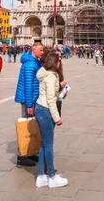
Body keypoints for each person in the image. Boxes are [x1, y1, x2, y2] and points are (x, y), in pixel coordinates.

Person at [35, 52, 68, 189]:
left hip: (41, 109)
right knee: (48, 145)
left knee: (44, 144)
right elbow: (50, 100)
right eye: (59, 60)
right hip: (45, 111)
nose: (60, 62)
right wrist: (57, 118)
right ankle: (52, 178)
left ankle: (41, 176)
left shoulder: (44, 73)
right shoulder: (50, 77)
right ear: (55, 63)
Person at [14, 42, 44, 167]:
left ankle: (30, 152)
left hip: (32, 98)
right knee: (26, 126)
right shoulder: (31, 64)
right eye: (40, 50)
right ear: (34, 50)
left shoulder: (35, 62)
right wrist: (30, 105)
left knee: (31, 125)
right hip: (29, 99)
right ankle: (22, 156)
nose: (42, 52)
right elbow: (28, 85)